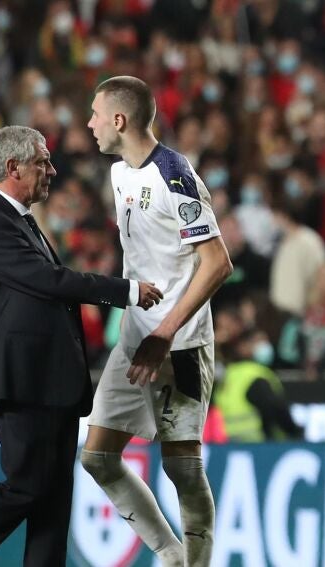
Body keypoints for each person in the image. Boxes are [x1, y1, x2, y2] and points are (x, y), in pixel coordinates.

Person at [0, 125, 163, 567]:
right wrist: (126, 290)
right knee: (27, 485)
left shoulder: (19, 221)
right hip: (23, 383)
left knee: (53, 501)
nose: (52, 170)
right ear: (13, 168)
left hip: (51, 383)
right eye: (42, 162)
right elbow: (50, 281)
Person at [82, 75, 233, 567]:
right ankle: (171, 554)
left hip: (180, 344)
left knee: (182, 469)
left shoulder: (175, 176)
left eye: (96, 114)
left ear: (119, 120)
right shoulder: (118, 174)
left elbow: (217, 263)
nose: (90, 124)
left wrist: (165, 334)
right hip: (135, 339)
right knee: (97, 457)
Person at [215, 326, 303, 442]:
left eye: (266, 341)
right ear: (243, 346)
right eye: (259, 341)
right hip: (258, 444)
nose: (265, 346)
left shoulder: (228, 374)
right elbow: (275, 408)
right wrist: (294, 432)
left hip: (229, 443)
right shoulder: (255, 374)